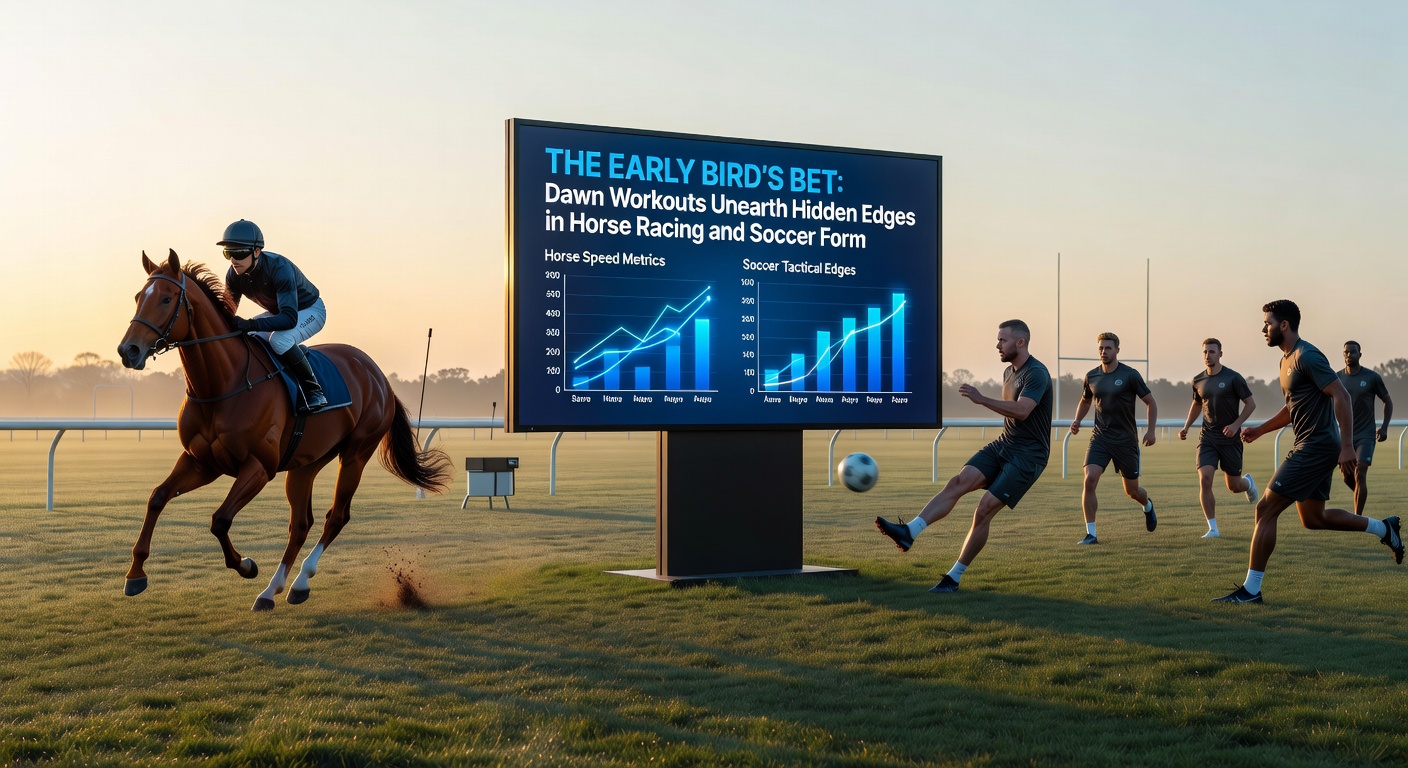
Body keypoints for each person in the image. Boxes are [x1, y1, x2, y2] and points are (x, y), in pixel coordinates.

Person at [1215, 300, 1402, 604]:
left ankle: (1251, 591)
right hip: (1312, 444)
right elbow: (1292, 408)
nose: (1264, 329)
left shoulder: (1307, 355)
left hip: (1316, 445)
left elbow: (1341, 395)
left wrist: (1345, 447)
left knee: (1265, 509)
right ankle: (1385, 528)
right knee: (1313, 518)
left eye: (1268, 323)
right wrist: (1261, 429)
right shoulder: (1286, 360)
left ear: (1284, 325)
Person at [874, 319, 1053, 593]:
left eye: (1002, 340)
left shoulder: (1037, 373)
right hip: (1005, 444)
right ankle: (909, 532)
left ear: (1021, 342)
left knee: (983, 511)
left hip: (1028, 456)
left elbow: (1023, 410)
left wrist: (981, 399)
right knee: (958, 481)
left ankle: (953, 578)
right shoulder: (1008, 372)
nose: (997, 345)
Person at [219, 219, 329, 413]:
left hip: (309, 310)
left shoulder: (280, 269)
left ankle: (314, 391)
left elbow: (289, 319)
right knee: (248, 338)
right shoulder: (234, 275)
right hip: (280, 310)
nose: (234, 260)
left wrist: (250, 324)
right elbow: (226, 314)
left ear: (257, 251)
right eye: (228, 253)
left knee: (280, 339)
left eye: (240, 253)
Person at [1069, 332, 1157, 544]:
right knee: (1089, 479)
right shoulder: (1092, 376)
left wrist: (1151, 431)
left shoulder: (1130, 375)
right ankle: (1091, 534)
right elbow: (1085, 401)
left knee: (1132, 491)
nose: (1103, 351)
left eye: (1108, 348)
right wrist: (1077, 420)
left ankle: (1148, 505)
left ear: (1117, 350)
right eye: (1100, 348)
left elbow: (1150, 403)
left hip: (1125, 440)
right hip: (1100, 438)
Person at [1178, 338, 1258, 538]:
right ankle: (1213, 528)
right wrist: (1186, 426)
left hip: (1230, 439)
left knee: (1234, 486)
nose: (1208, 355)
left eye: (1212, 352)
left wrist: (1235, 425)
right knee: (1205, 479)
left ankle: (1247, 483)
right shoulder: (1198, 380)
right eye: (1205, 352)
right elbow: (1197, 404)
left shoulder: (1233, 378)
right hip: (1208, 438)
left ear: (1220, 354)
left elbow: (1250, 404)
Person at [1338, 341, 1393, 515]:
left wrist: (1384, 427)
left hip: (1366, 435)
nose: (1349, 355)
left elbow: (1388, 401)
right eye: (1346, 352)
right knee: (1347, 476)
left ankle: (1357, 516)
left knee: (1360, 472)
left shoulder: (1371, 377)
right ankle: (1359, 493)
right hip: (1344, 436)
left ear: (1360, 355)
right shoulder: (1336, 378)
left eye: (1353, 352)